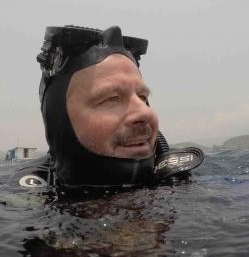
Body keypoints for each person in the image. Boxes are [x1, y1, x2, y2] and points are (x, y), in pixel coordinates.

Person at [12, 25, 203, 190]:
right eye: (111, 98)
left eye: (142, 97)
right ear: (58, 121)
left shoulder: (185, 184)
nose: (146, 112)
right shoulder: (16, 209)